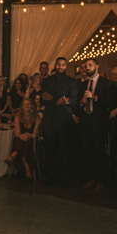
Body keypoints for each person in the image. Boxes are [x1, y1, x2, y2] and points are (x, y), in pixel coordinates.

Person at [77, 58, 117, 191]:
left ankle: (102, 180)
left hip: (99, 122)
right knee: (87, 151)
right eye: (85, 66)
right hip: (85, 121)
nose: (87, 68)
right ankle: (92, 178)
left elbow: (112, 103)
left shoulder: (107, 84)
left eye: (90, 65)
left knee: (99, 151)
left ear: (97, 67)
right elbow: (77, 105)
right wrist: (82, 101)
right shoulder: (83, 84)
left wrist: (95, 97)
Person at [41, 57, 78, 188]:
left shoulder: (72, 82)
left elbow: (73, 100)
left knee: (64, 149)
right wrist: (57, 100)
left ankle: (64, 180)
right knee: (50, 149)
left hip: (64, 119)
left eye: (63, 65)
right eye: (58, 64)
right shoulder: (47, 80)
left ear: (66, 66)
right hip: (49, 118)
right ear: (55, 65)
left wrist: (55, 100)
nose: (60, 66)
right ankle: (50, 178)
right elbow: (43, 99)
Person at [5, 99, 41, 179]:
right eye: (24, 104)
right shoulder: (18, 117)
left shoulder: (37, 117)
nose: (26, 106)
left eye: (28, 104)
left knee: (26, 143)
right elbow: (17, 133)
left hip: (32, 140)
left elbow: (36, 132)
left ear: (32, 106)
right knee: (23, 142)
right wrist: (22, 136)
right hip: (20, 139)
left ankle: (12, 156)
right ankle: (28, 171)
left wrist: (30, 135)